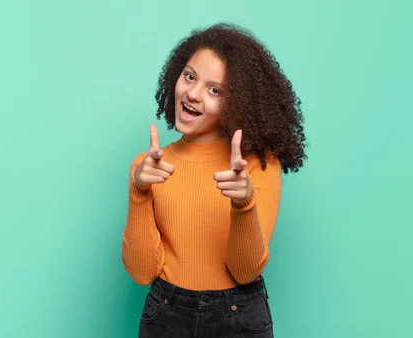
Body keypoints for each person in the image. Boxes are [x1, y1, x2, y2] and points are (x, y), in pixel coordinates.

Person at [121, 23, 307, 338]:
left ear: (238, 103)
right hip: (165, 313)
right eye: (190, 76)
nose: (192, 93)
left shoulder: (260, 165)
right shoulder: (148, 167)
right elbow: (141, 273)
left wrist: (244, 204)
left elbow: (245, 271)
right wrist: (139, 191)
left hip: (238, 317)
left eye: (215, 89)